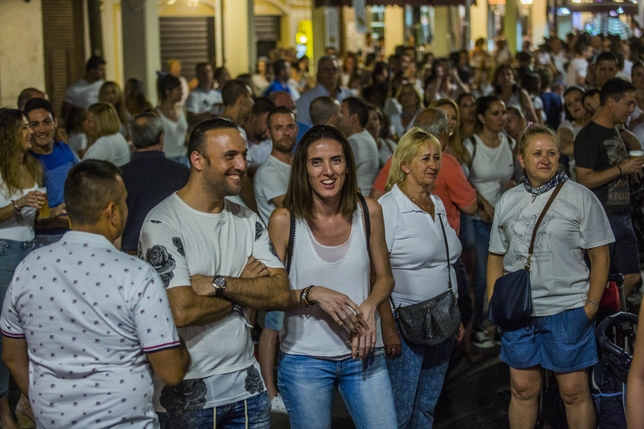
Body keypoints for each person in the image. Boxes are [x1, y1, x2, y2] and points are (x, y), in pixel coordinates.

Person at [1, 159, 191, 428]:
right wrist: (181, 343)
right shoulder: (135, 274)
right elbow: (171, 370)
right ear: (112, 212)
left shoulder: (28, 268)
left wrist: (43, 398)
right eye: (125, 201)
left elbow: (11, 355)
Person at [139, 118, 290, 428]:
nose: (242, 164)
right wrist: (244, 289)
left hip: (247, 388)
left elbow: (280, 292)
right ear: (198, 160)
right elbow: (182, 310)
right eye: (230, 156)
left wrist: (218, 283)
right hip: (187, 396)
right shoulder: (162, 224)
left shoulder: (246, 219)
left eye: (244, 155)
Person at [267, 125, 397, 429]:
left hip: (363, 354)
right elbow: (268, 297)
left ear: (348, 166)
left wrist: (369, 304)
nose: (328, 171)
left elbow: (386, 278)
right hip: (304, 361)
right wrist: (313, 293)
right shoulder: (285, 220)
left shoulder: (369, 211)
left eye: (336, 160)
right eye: (317, 162)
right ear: (304, 169)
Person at [488, 125, 613, 429]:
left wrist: (591, 306)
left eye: (551, 152)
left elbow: (601, 257)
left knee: (573, 393)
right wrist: (495, 302)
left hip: (567, 311)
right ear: (521, 159)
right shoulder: (508, 201)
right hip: (519, 313)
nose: (545, 159)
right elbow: (496, 256)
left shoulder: (580, 197)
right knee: (523, 390)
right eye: (537, 153)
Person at [378, 127, 465, 428]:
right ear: (404, 165)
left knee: (427, 406)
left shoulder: (437, 204)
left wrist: (455, 317)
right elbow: (377, 272)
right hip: (405, 323)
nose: (433, 164)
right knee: (400, 412)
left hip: (441, 318)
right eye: (425, 158)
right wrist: (387, 327)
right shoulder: (389, 208)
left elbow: (447, 264)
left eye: (437, 157)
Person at [574, 78, 644, 298]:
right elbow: (583, 179)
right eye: (628, 103)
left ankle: (613, 320)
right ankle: (602, 321)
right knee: (600, 279)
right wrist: (622, 169)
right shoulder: (588, 136)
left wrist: (631, 171)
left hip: (622, 215)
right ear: (611, 102)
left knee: (632, 276)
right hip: (602, 217)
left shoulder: (616, 131)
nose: (632, 110)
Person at [0, 108, 47, 429]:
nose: (31, 131)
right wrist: (19, 203)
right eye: (25, 127)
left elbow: (35, 215)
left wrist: (53, 209)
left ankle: (27, 399)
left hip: (31, 251)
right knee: (5, 333)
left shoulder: (33, 165)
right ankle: (4, 407)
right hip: (5, 253)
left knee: (33, 328)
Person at [253, 106, 298, 414]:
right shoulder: (269, 171)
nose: (286, 132)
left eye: (290, 126)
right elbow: (293, 206)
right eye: (279, 127)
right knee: (272, 325)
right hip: (277, 259)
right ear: (268, 132)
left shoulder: (295, 165)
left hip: (299, 255)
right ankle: (269, 392)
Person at [464, 95, 516, 349]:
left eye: (503, 112)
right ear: (482, 117)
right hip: (479, 218)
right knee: (482, 277)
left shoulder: (510, 142)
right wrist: (484, 204)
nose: (501, 118)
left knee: (504, 275)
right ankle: (476, 328)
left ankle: (497, 325)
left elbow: (513, 178)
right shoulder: (471, 144)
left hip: (504, 221)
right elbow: (464, 182)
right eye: (495, 113)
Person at [120, 113, 189, 254]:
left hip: (132, 252)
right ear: (162, 137)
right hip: (175, 250)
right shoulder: (182, 172)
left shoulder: (119, 176)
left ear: (132, 141)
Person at [23, 98, 75, 246]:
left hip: (74, 234)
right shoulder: (28, 163)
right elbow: (39, 217)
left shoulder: (65, 151)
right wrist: (67, 220)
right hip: (45, 238)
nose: (42, 129)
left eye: (46, 122)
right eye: (35, 124)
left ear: (55, 122)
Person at [295, 56, 352, 126]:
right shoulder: (306, 100)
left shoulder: (349, 95)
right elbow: (302, 128)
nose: (331, 72)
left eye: (334, 69)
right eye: (326, 70)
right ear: (319, 73)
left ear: (339, 71)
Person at [339, 97, 380, 196]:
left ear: (353, 118)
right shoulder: (364, 136)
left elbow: (335, 173)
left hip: (359, 206)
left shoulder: (356, 143)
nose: (337, 116)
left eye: (341, 112)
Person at [83, 102, 131, 167]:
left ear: (100, 124)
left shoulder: (106, 142)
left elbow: (84, 168)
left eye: (89, 121)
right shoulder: (114, 137)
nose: (85, 124)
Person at [156, 74, 189, 166]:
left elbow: (185, 135)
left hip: (183, 158)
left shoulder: (182, 110)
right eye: (178, 90)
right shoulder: (156, 114)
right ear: (167, 92)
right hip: (166, 159)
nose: (182, 93)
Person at [558, 87, 590, 181]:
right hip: (580, 181)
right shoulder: (567, 126)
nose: (574, 105)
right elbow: (566, 148)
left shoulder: (601, 123)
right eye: (569, 104)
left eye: (577, 100)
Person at [243, 97, 275, 170]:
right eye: (267, 122)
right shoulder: (237, 142)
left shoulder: (273, 145)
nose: (270, 128)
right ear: (253, 118)